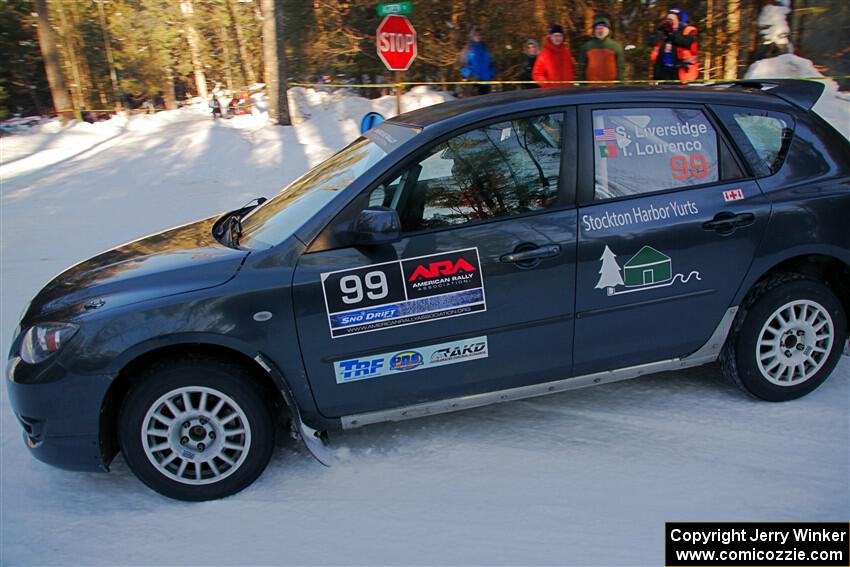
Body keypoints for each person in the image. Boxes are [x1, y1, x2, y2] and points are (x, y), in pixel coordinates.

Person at [649, 8, 699, 82]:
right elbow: (652, 42)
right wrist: (660, 31)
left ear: (681, 22)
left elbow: (686, 43)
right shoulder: (664, 33)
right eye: (668, 19)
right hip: (663, 73)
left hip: (683, 74)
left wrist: (673, 32)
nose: (669, 22)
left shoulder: (688, 32)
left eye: (672, 20)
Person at [578, 17, 625, 83]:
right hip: (591, 87)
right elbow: (581, 68)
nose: (599, 30)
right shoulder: (587, 46)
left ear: (607, 30)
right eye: (597, 28)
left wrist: (621, 84)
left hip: (611, 88)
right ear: (594, 30)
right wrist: (581, 85)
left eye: (602, 28)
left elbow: (620, 68)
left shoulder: (616, 47)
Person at [460, 27, 497, 95]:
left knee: (485, 103)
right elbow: (462, 66)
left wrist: (492, 73)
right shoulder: (468, 49)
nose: (478, 36)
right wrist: (470, 75)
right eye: (476, 35)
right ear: (472, 36)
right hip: (473, 82)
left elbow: (492, 63)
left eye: (480, 35)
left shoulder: (486, 48)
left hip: (485, 81)